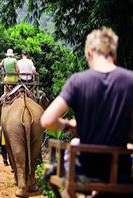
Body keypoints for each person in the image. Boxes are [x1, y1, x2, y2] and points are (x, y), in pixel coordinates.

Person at [40, 27, 133, 182]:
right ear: (113, 53)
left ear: (90, 52)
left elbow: (47, 120)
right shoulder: (130, 80)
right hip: (119, 172)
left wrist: (68, 125)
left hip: (85, 169)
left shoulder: (78, 81)